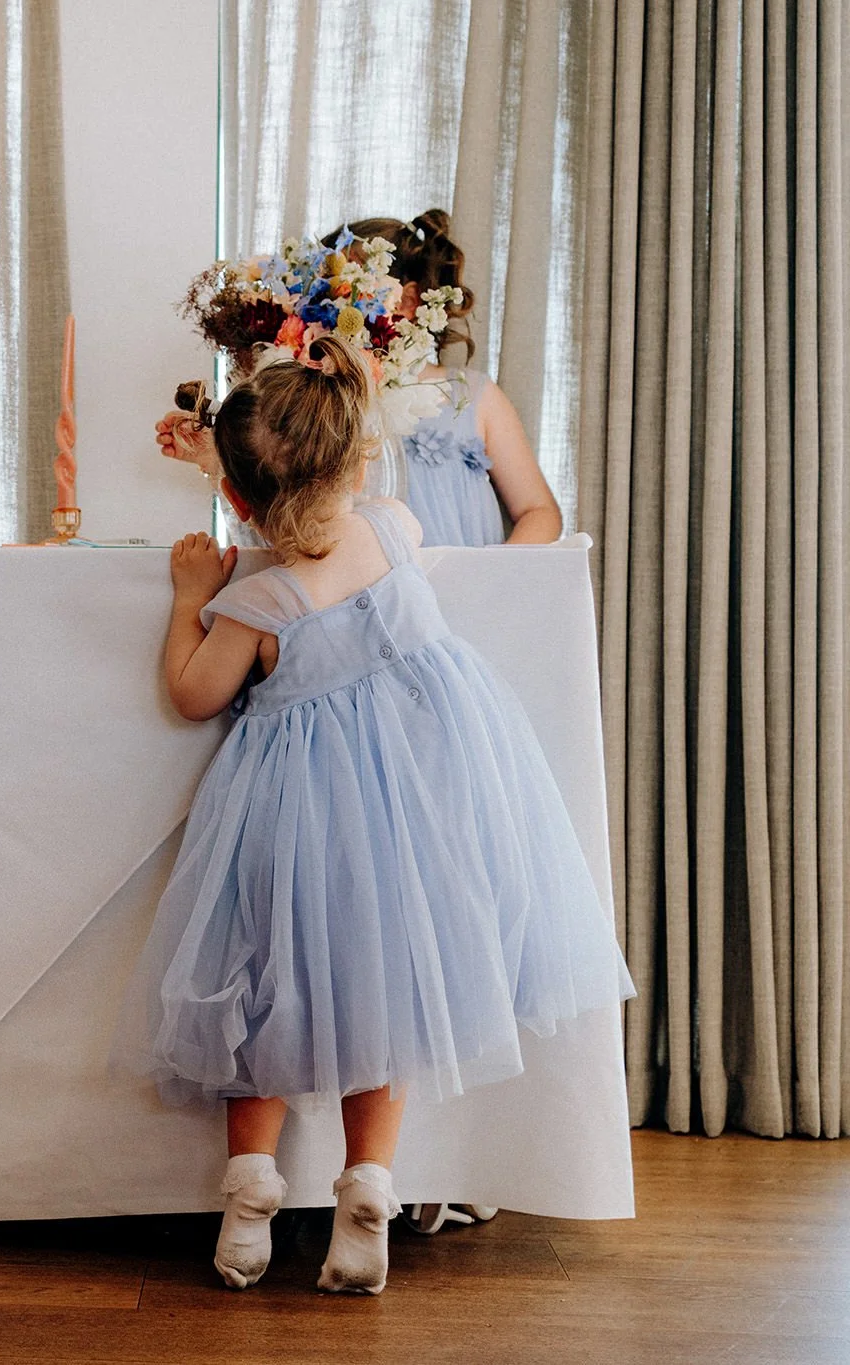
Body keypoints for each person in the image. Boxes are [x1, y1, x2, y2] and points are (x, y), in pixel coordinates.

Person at [143, 336, 631, 1294]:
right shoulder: (396, 529)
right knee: (389, 999)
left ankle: (249, 1193)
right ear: (357, 460)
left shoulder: (258, 600)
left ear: (235, 500)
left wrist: (190, 597)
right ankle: (368, 1187)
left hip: (292, 827)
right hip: (413, 820)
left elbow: (194, 695)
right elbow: (335, 494)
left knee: (257, 994)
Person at [158, 210, 563, 546]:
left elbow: (539, 511)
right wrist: (219, 459)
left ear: (407, 301)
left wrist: (487, 579)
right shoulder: (312, 403)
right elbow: (277, 512)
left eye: (340, 294)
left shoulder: (473, 395)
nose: (320, 307)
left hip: (464, 595)